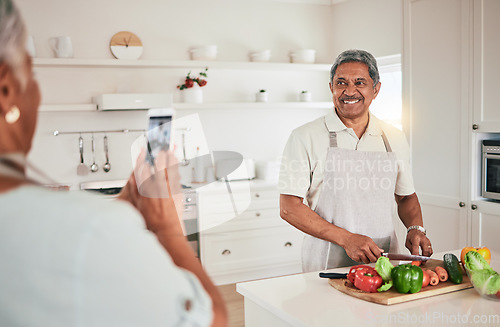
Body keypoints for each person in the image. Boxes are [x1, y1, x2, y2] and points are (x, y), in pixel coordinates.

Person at [0, 0, 227, 325]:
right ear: (6, 87)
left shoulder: (92, 226)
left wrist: (118, 209)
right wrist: (167, 227)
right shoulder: (90, 232)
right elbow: (213, 319)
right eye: (31, 73)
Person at [279, 49, 433, 272]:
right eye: (341, 83)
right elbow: (289, 208)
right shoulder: (305, 136)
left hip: (383, 262)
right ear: (331, 87)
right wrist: (346, 239)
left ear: (376, 89)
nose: (349, 91)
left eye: (359, 82)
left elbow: (406, 197)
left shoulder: (394, 137)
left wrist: (415, 228)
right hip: (325, 263)